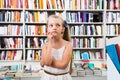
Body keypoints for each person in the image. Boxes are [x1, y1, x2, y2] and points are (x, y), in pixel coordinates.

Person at [40, 15, 73, 80]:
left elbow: (63, 65)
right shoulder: (45, 46)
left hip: (63, 77)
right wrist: (49, 42)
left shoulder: (68, 45)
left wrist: (46, 61)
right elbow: (45, 63)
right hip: (47, 77)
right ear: (47, 29)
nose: (54, 28)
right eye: (51, 25)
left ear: (62, 29)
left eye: (57, 25)